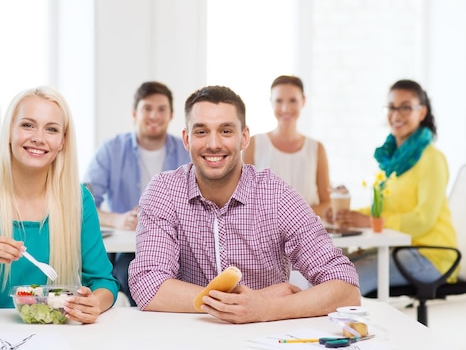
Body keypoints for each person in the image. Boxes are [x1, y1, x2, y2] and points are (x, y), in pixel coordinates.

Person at [128, 85, 360, 324]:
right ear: (187, 139)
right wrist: (245, 303)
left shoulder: (277, 196)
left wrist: (266, 308)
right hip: (189, 339)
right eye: (201, 132)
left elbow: (346, 288)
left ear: (244, 137)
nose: (214, 144)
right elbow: (147, 284)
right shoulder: (164, 191)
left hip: (265, 341)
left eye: (226, 131)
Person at [0, 87, 118, 323]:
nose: (38, 138)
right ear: (9, 131)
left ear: (62, 141)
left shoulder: (79, 200)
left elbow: (104, 282)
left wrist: (94, 303)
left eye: (51, 129)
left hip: (53, 329)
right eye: (28, 125)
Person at [328, 79, 458, 296]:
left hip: (429, 256)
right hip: (396, 250)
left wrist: (370, 222)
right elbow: (381, 211)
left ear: (422, 112)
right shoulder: (390, 163)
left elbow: (422, 219)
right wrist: (347, 216)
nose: (397, 114)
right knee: (329, 269)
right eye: (392, 107)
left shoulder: (432, 159)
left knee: (340, 283)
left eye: (406, 107)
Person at [83, 81, 190, 305]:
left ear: (171, 115)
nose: (154, 115)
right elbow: (83, 204)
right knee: (130, 278)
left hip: (181, 247)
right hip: (130, 251)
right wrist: (118, 219)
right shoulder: (111, 150)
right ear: (134, 113)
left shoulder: (187, 150)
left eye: (161, 109)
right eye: (147, 108)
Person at [242, 75, 330, 217]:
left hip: (307, 234)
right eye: (279, 101)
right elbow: (244, 200)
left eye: (293, 100)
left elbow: (327, 204)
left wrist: (290, 217)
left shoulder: (316, 148)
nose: (285, 108)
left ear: (303, 101)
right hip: (266, 236)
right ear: (271, 102)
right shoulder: (253, 144)